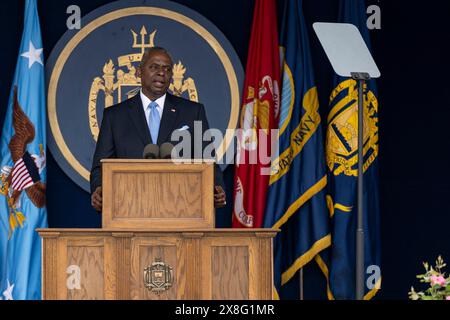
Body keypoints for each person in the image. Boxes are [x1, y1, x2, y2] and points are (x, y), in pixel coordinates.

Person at [90, 47, 226, 212]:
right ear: (139, 72)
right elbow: (100, 167)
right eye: (154, 67)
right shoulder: (115, 116)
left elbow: (208, 161)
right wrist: (98, 189)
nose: (162, 72)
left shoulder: (192, 112)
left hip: (181, 209)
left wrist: (217, 187)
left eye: (167, 69)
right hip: (129, 209)